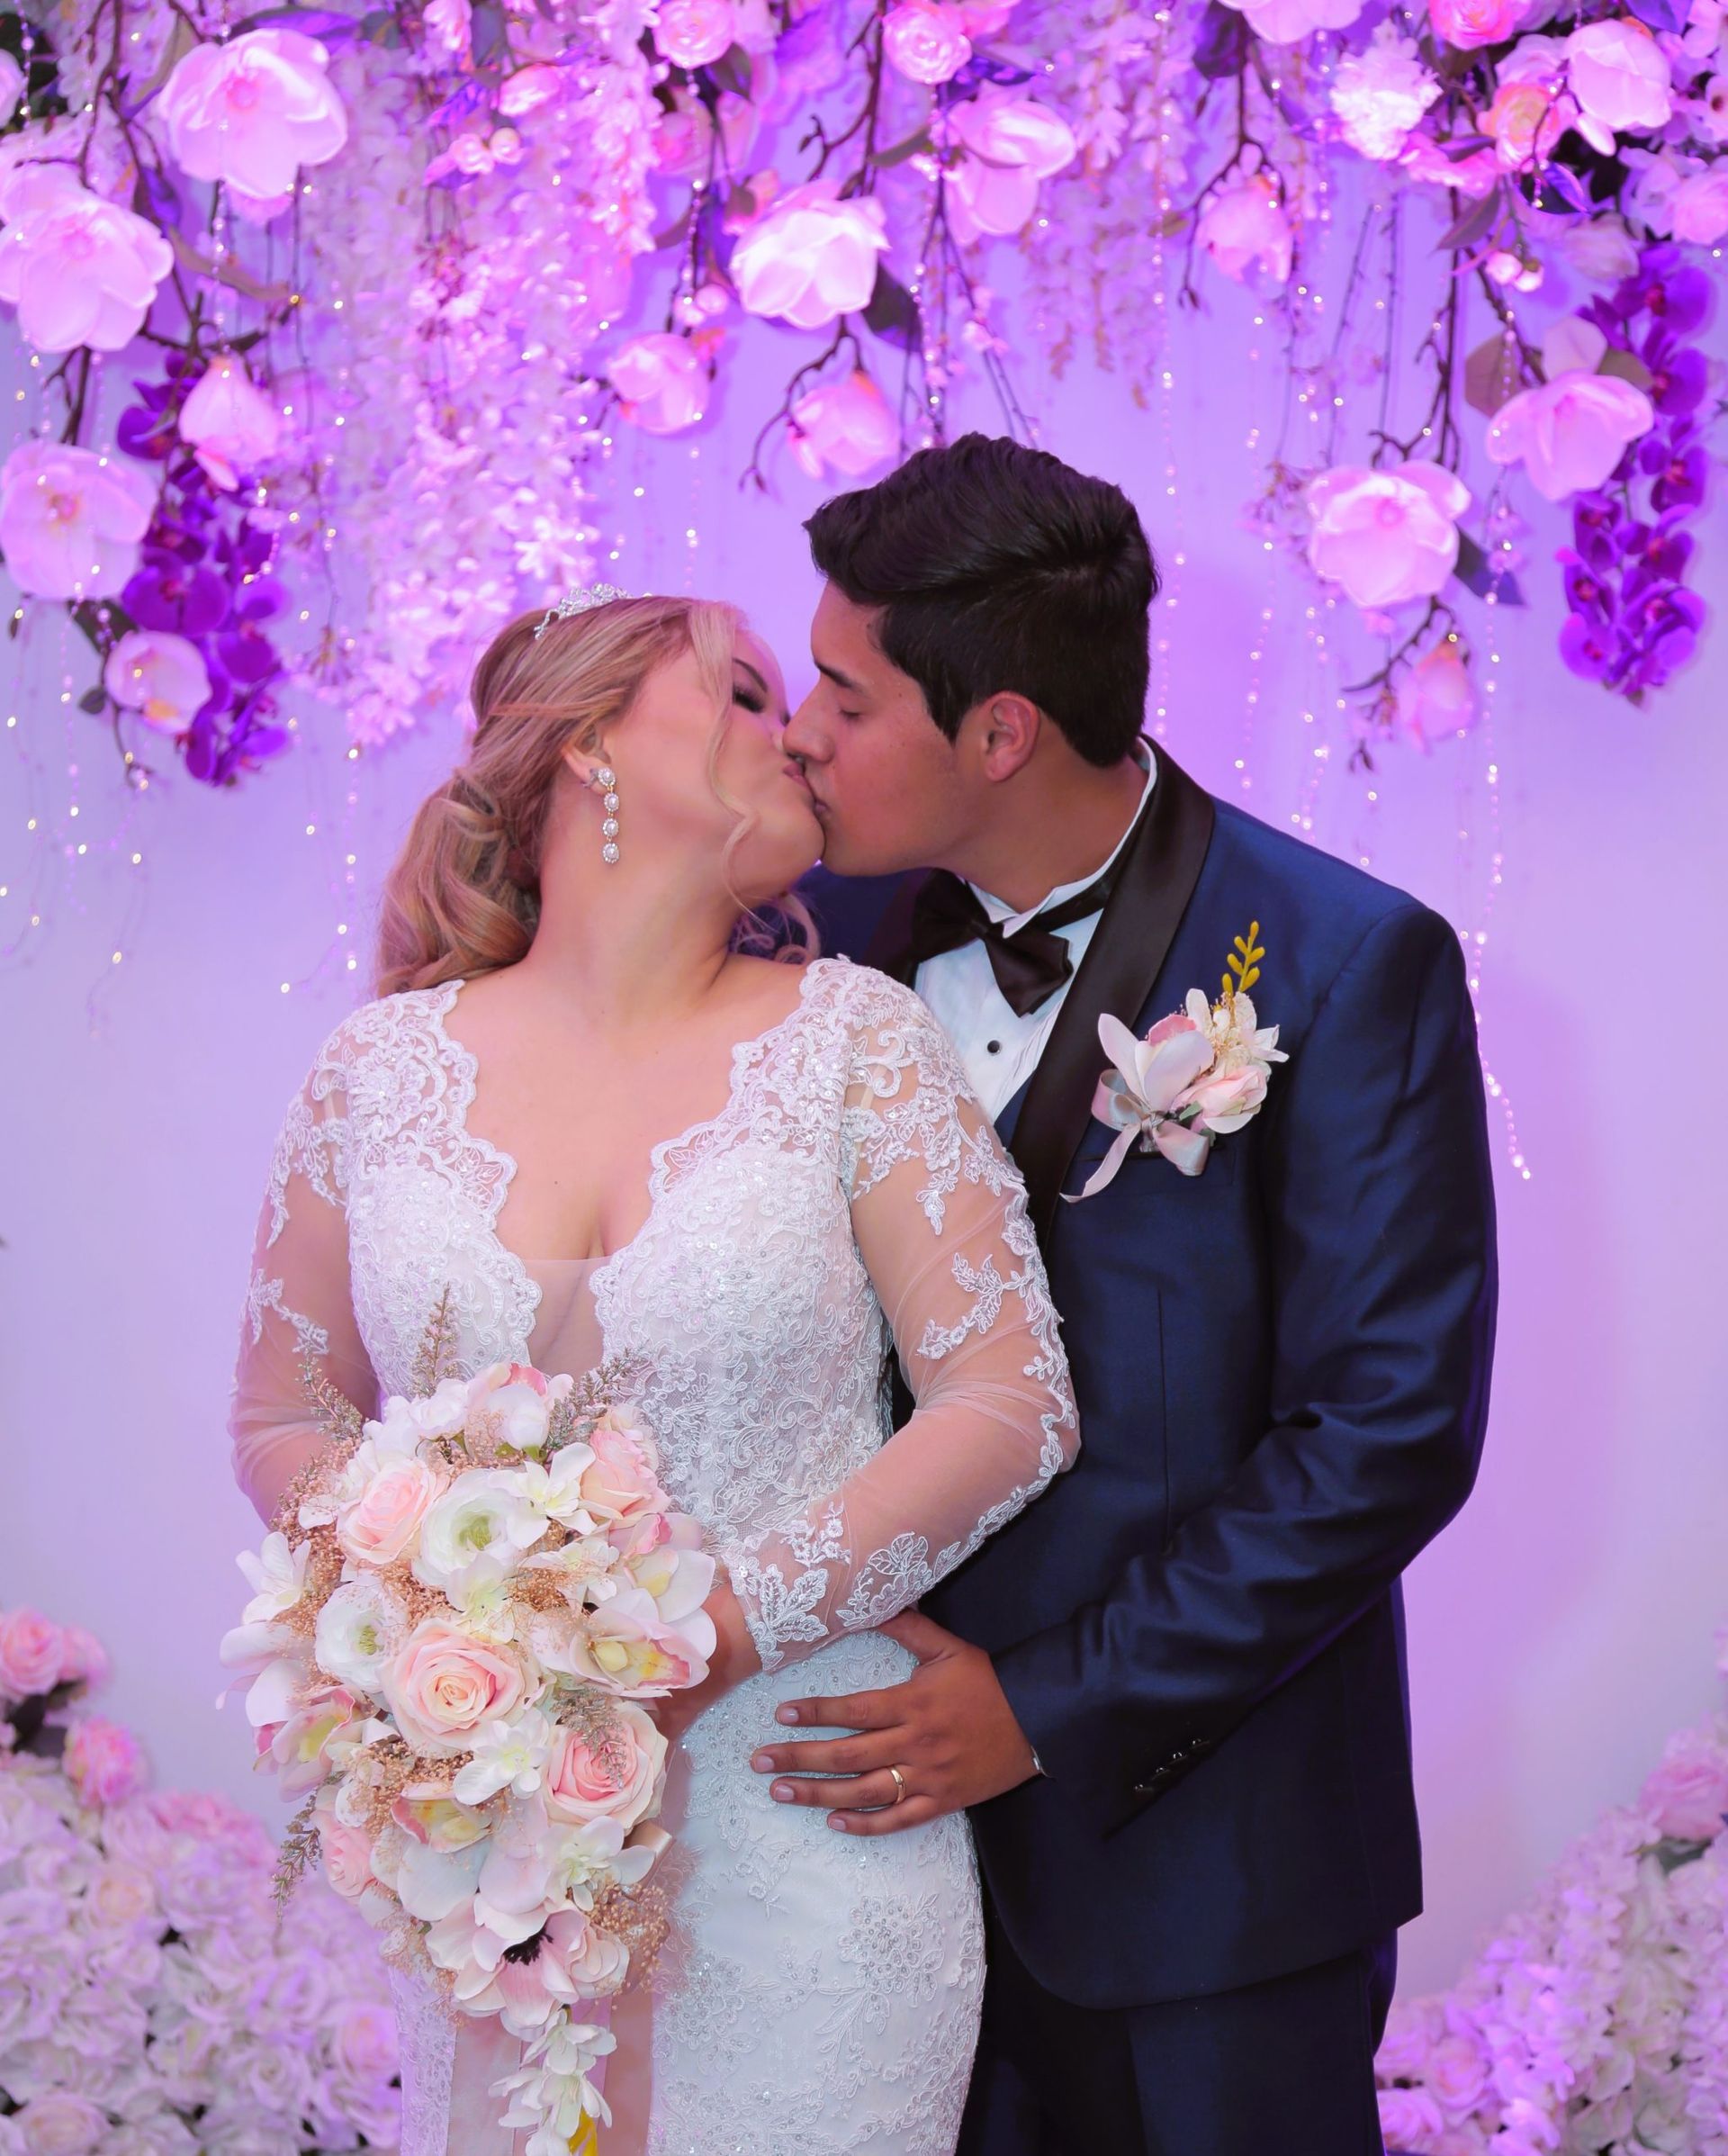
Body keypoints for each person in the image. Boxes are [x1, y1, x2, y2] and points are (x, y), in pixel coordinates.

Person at [228, 590, 1077, 2156]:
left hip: (812, 1808)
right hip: (493, 1818)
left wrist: (716, 1631)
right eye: (747, 691)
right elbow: (289, 1414)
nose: (803, 733)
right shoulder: (378, 1070)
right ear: (592, 739)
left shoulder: (858, 1042)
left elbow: (1012, 1401)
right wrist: (441, 1611)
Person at [760, 433, 1499, 2156]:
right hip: (852, 1861)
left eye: (847, 697)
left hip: (1207, 1886)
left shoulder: (1345, 959)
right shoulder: (807, 940)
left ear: (999, 730)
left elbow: (1383, 1439)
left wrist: (1039, 1712)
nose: (802, 728)